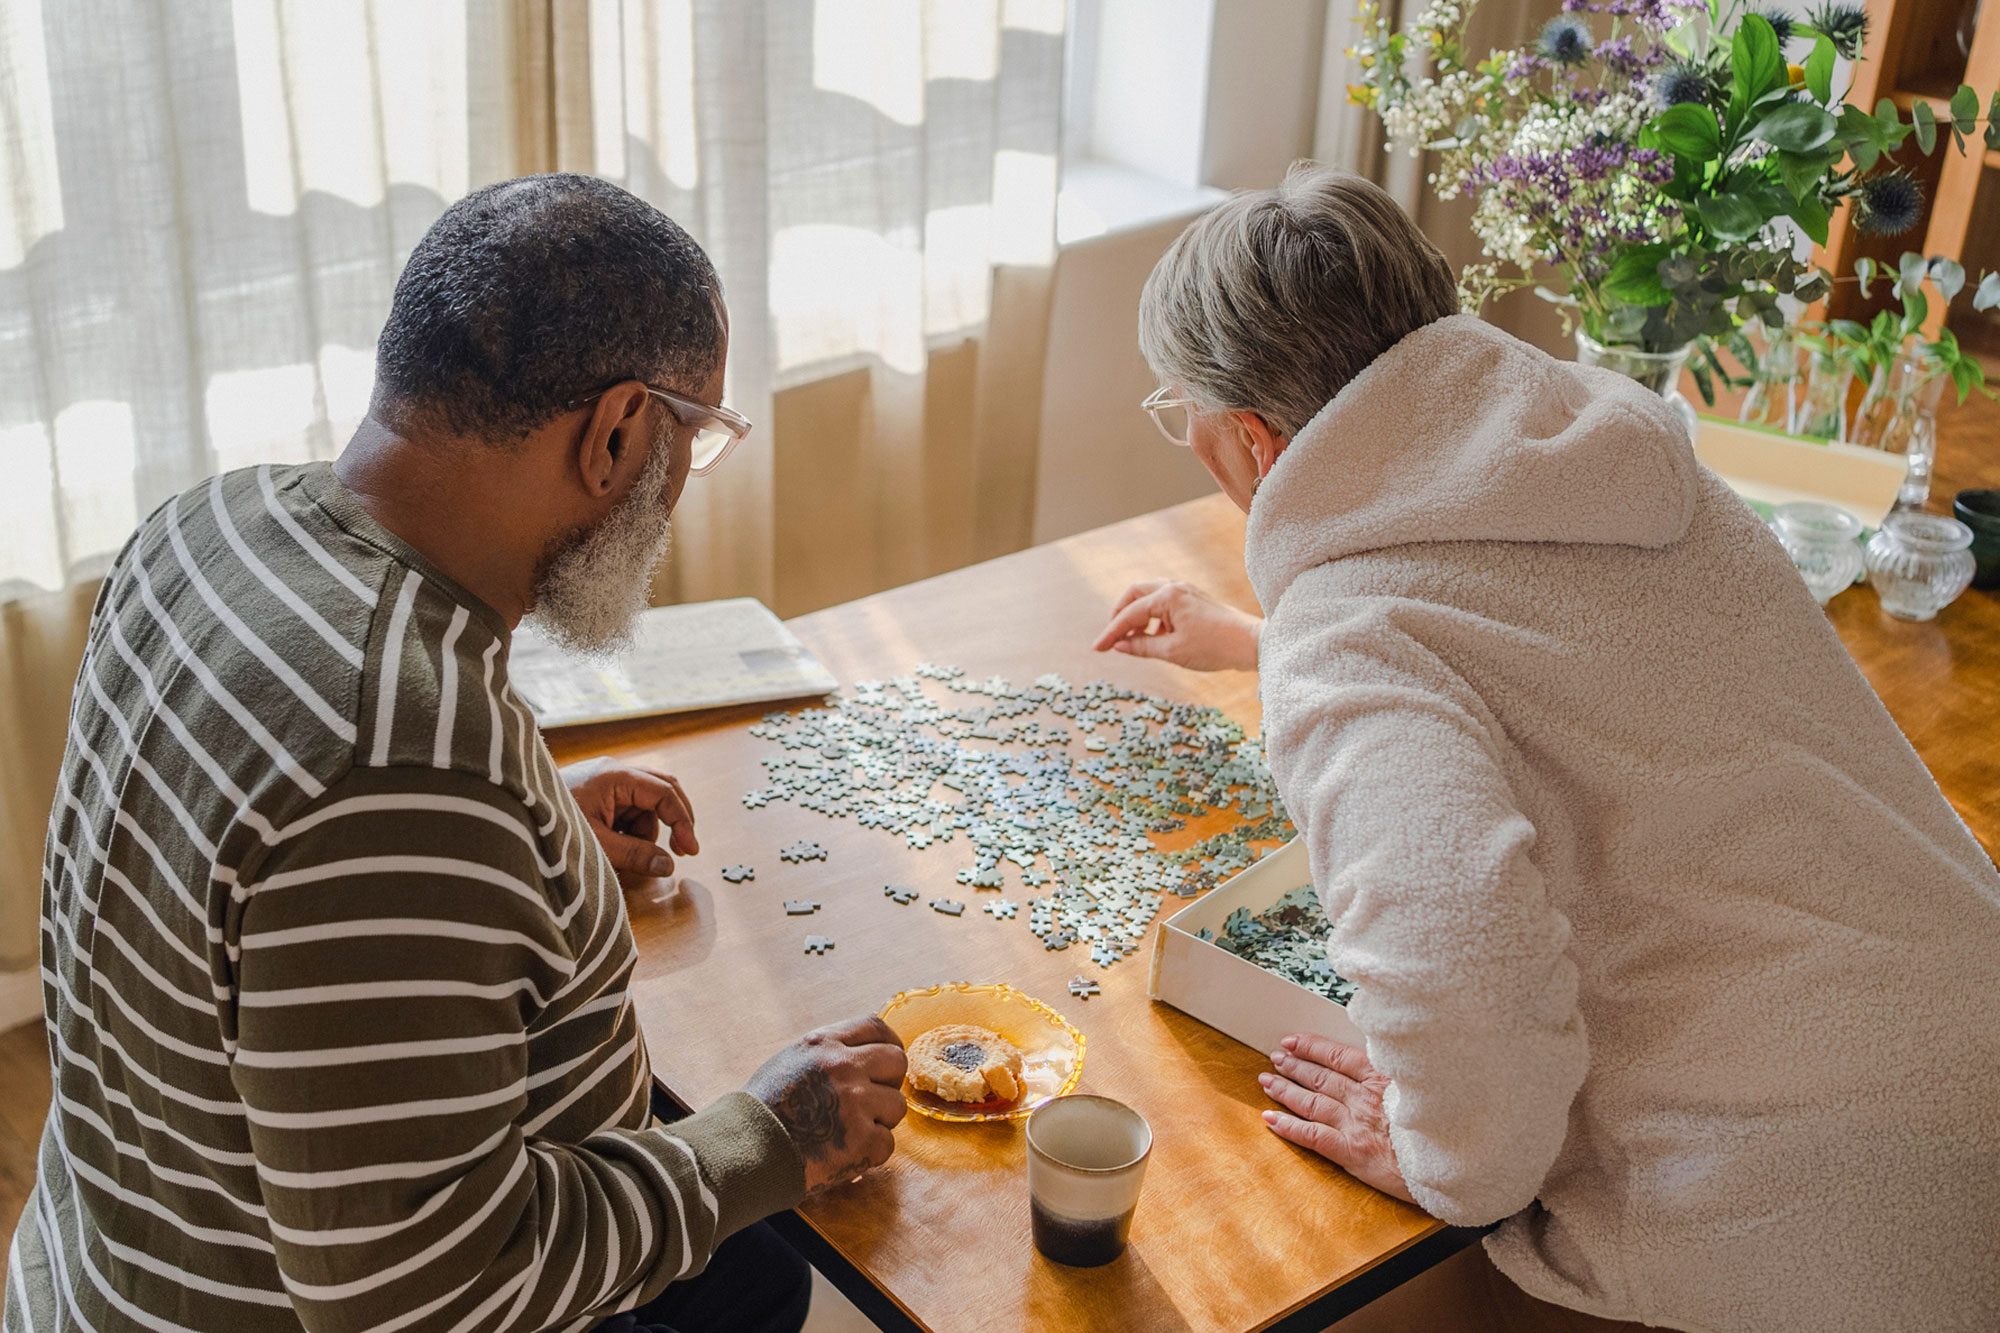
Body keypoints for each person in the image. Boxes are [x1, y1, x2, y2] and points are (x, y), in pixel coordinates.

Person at [1094, 163, 2000, 1331]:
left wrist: (1444, 1159)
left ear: (1257, 445)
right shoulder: (1610, 453)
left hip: (1809, 1214)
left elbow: (1459, 941)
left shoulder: (1349, 646)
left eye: (1184, 415)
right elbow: (1566, 664)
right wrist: (1262, 645)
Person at [6, 173, 908, 1333]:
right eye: (693, 437)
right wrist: (765, 1137)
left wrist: (528, 844)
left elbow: (257, 871)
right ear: (619, 430)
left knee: (762, 1274)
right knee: (785, 1248)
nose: (680, 483)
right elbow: (420, 1296)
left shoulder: (208, 524)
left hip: (118, 1255)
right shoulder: (403, 762)